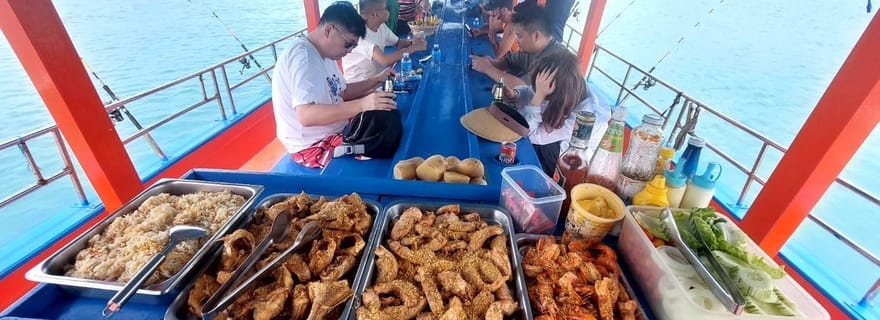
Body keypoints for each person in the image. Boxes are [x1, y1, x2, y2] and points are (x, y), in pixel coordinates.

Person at [272, 2, 397, 169]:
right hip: (315, 145)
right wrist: (363, 104)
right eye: (349, 44)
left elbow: (342, 92)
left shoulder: (326, 54)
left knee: (388, 121)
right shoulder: (303, 57)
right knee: (383, 151)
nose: (351, 50)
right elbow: (306, 116)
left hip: (339, 129)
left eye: (354, 46)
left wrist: (377, 79)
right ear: (329, 30)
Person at [510, 51, 611, 176]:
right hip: (557, 140)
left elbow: (529, 133)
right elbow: (531, 91)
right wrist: (515, 95)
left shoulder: (584, 115)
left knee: (521, 143)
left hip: (573, 164)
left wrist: (539, 96)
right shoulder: (569, 86)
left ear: (557, 94)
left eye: (544, 92)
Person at [470, 1, 568, 88]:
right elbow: (509, 61)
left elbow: (523, 87)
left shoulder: (553, 59)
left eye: (519, 36)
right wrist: (491, 62)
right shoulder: (535, 50)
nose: (517, 41)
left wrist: (488, 69)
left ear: (536, 36)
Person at [343, 0, 427, 82]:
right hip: (361, 86)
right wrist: (414, 48)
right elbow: (385, 60)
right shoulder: (360, 35)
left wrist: (414, 42)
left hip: (378, 80)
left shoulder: (381, 26)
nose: (390, 10)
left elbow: (398, 43)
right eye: (387, 8)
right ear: (375, 14)